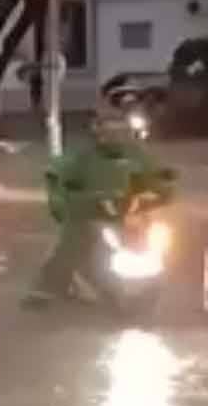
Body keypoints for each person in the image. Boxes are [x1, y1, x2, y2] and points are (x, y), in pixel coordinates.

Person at [26, 107, 175, 306]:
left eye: (119, 130)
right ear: (98, 133)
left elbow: (160, 179)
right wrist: (73, 200)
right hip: (92, 214)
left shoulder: (138, 155)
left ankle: (149, 284)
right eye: (109, 131)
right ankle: (48, 287)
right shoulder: (83, 157)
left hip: (130, 215)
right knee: (72, 241)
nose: (114, 136)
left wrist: (157, 194)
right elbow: (60, 180)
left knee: (156, 238)